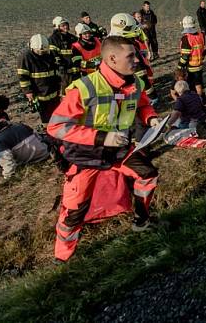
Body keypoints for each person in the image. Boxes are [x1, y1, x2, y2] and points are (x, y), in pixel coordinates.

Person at [48, 35, 164, 262]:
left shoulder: (135, 83)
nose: (137, 61)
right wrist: (102, 138)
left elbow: (143, 105)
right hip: (85, 156)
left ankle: (141, 221)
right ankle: (62, 258)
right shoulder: (84, 88)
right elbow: (56, 126)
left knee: (148, 176)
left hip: (119, 151)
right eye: (130, 56)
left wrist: (151, 119)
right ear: (112, 58)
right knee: (74, 211)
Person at [110, 13, 158, 104]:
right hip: (125, 93)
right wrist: (152, 96)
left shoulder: (109, 44)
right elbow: (141, 74)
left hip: (117, 93)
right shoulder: (127, 47)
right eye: (129, 28)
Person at [17, 34, 62, 124]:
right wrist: (28, 92)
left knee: (56, 113)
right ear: (32, 48)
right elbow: (23, 76)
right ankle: (48, 130)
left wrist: (59, 85)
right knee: (45, 116)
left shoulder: (49, 53)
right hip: (39, 91)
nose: (42, 53)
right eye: (39, 51)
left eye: (44, 51)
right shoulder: (25, 57)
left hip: (53, 90)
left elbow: (56, 70)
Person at [177, 15, 206, 96]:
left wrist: (179, 66)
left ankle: (196, 101)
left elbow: (185, 56)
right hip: (200, 65)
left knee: (193, 85)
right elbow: (204, 50)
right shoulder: (201, 35)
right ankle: (202, 99)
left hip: (191, 67)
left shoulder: (186, 38)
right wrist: (201, 58)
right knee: (199, 83)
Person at [48, 16, 80, 91]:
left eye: (66, 25)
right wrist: (60, 66)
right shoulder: (53, 39)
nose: (65, 27)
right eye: (63, 25)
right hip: (63, 73)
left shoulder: (72, 38)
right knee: (64, 92)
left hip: (75, 71)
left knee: (75, 91)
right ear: (57, 27)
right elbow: (54, 54)